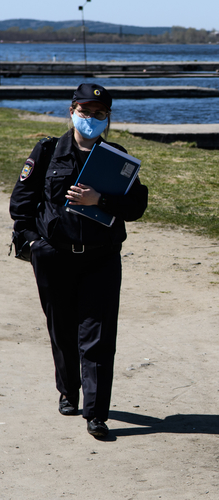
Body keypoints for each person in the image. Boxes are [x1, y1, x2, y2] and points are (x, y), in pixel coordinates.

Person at [9, 83, 149, 439]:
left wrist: (99, 199)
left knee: (98, 336)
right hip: (54, 256)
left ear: (108, 118)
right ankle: (69, 391)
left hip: (100, 259)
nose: (92, 118)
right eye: (86, 111)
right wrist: (31, 241)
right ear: (72, 111)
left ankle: (96, 413)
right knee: (62, 329)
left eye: (100, 114)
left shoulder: (117, 158)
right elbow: (21, 203)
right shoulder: (48, 151)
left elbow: (136, 207)